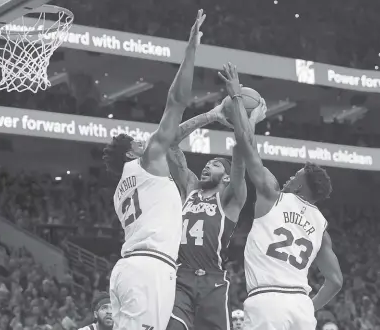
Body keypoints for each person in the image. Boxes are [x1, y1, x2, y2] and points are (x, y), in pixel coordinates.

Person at [218, 62, 343, 330]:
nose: (288, 178)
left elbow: (246, 144)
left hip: (267, 302)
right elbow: (335, 281)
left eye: (294, 176)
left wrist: (238, 98)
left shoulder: (272, 195)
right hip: (300, 307)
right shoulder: (321, 226)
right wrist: (309, 306)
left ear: (299, 186)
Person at [102, 9, 205, 330]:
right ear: (132, 151)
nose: (143, 140)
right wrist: (191, 49)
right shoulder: (146, 162)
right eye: (137, 139)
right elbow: (176, 100)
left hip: (132, 269)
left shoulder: (123, 187)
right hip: (148, 271)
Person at [164, 98, 265, 330]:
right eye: (207, 164)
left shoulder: (231, 199)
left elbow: (241, 152)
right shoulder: (190, 187)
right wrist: (211, 115)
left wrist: (249, 120)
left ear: (227, 178)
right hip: (180, 277)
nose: (207, 166)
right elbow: (171, 143)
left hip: (213, 281)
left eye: (215, 164)